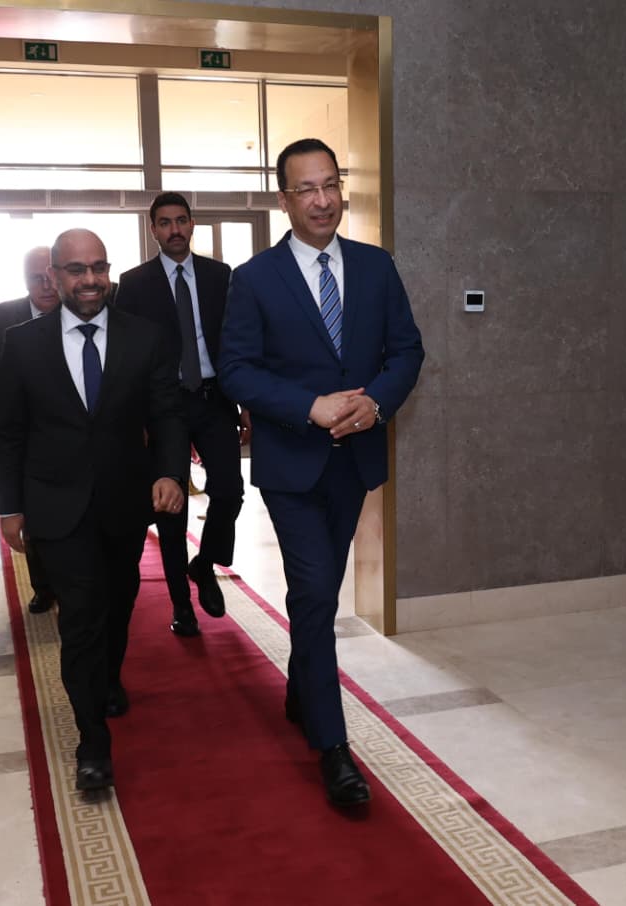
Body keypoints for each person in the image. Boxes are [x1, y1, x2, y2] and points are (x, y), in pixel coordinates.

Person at [218, 138, 424, 808]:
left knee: (319, 593)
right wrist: (308, 406)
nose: (322, 199)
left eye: (330, 184)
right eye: (306, 189)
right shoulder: (255, 278)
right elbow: (237, 370)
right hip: (291, 465)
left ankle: (298, 683)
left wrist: (376, 403)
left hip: (353, 463)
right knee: (313, 593)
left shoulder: (375, 267)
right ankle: (333, 748)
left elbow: (407, 350)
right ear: (285, 199)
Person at [0, 229, 188, 792]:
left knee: (118, 603)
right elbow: (10, 433)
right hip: (55, 504)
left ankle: (107, 678)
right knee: (80, 618)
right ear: (54, 277)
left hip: (124, 500)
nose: (90, 280)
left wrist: (169, 471)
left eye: (99, 268)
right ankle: (92, 743)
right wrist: (10, 507)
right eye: (77, 270)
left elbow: (168, 412)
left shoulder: (144, 337)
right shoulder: (22, 344)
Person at [117, 193, 249, 637]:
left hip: (213, 399)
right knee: (170, 510)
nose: (174, 229)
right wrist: (136, 420)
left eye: (181, 220)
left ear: (192, 225)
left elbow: (236, 343)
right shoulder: (134, 284)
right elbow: (126, 356)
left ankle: (205, 563)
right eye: (164, 222)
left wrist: (246, 403)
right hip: (163, 405)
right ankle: (181, 606)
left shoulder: (219, 275)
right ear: (153, 229)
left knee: (230, 491)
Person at [0, 246, 63, 614]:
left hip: (71, 437)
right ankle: (43, 586)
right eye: (37, 279)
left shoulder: (81, 311)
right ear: (24, 281)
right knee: (33, 517)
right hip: (23, 439)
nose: (46, 286)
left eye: (51, 277)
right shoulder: (3, 318)